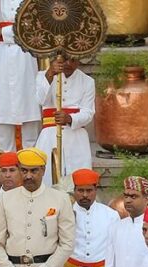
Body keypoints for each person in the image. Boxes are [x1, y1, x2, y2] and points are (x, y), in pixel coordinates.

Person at [0, 1, 41, 152]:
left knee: (30, 112)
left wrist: (2, 32)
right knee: (3, 113)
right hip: (1, 57)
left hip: (26, 55)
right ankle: (6, 167)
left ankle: (30, 166)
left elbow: (35, 26)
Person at [34, 56, 95, 187]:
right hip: (49, 135)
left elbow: (88, 113)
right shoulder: (42, 76)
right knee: (48, 179)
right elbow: (40, 100)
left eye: (73, 60)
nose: (68, 64)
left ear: (79, 60)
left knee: (78, 180)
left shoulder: (87, 81)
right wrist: (50, 74)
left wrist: (70, 118)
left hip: (76, 137)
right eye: (65, 59)